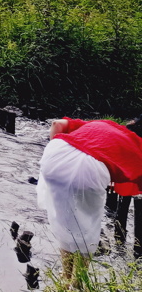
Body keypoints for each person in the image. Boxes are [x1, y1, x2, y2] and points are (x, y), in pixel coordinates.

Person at [37, 116, 142, 282]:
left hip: (54, 156)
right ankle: (78, 283)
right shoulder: (138, 146)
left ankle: (66, 278)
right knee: (87, 230)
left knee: (66, 223)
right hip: (88, 170)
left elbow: (56, 124)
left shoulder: (99, 124)